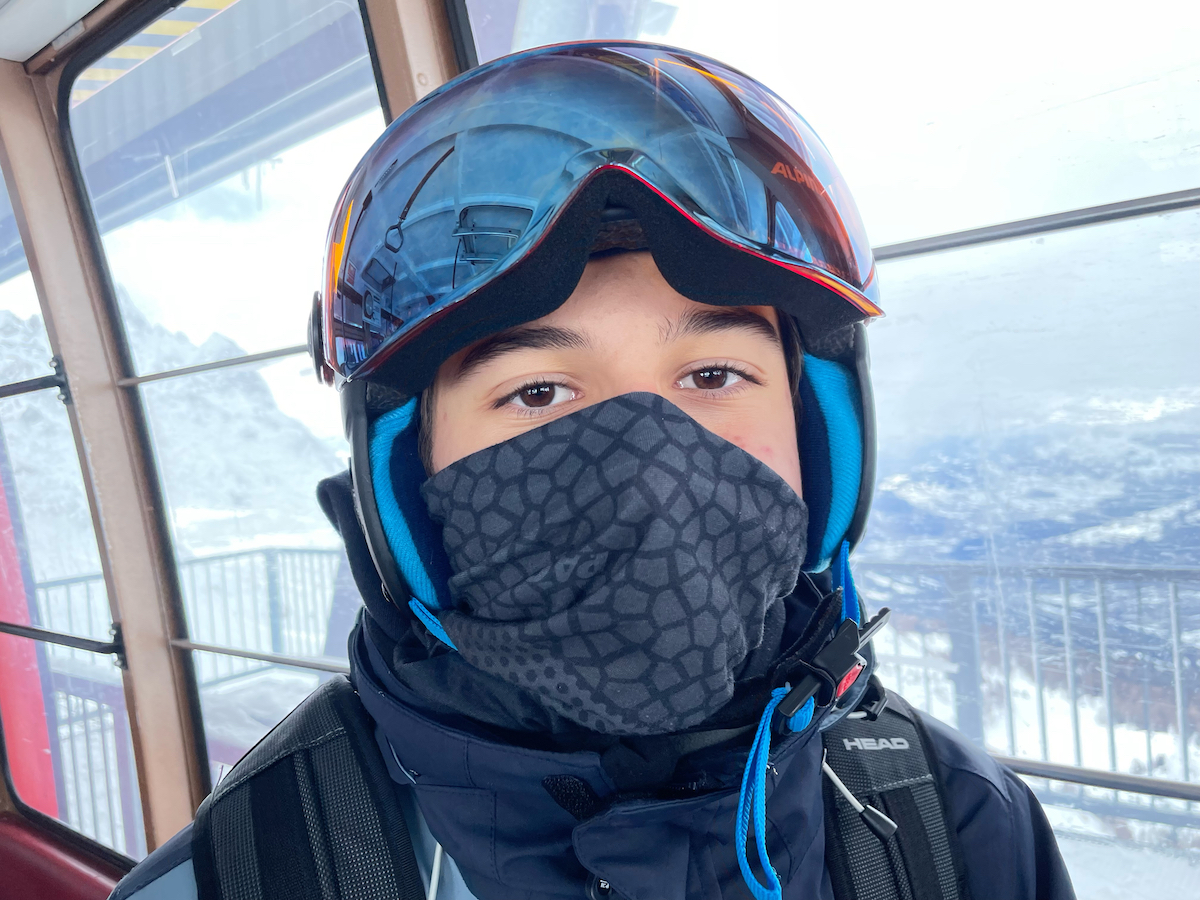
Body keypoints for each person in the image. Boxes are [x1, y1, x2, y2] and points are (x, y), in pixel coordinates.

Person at [110, 41, 1074, 900]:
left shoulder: (956, 831)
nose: (650, 473)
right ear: (403, 483)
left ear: (821, 442)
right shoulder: (250, 873)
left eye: (712, 375)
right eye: (538, 392)